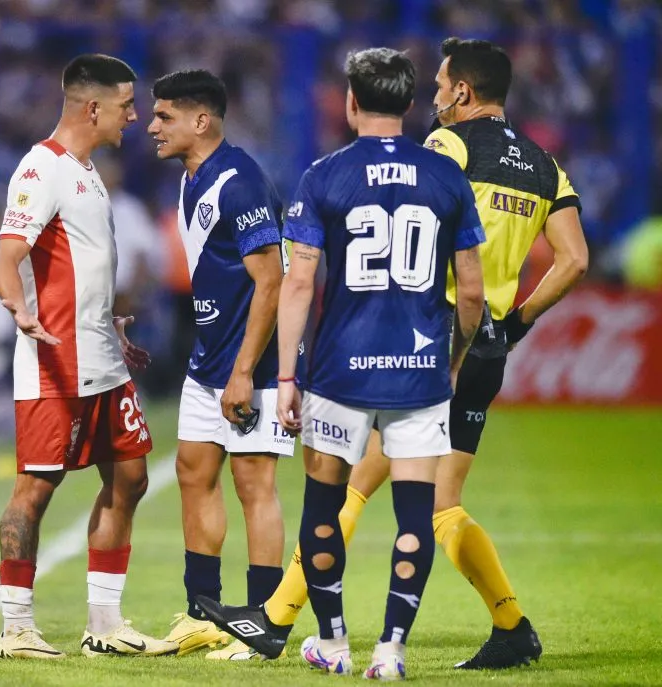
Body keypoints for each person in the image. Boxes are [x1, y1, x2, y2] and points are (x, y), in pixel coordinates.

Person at [250, 37, 588, 672]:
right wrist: (515, 324)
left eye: (440, 85)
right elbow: (574, 260)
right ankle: (511, 624)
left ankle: (280, 622)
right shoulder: (546, 165)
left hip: (424, 339)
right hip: (484, 344)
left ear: (463, 91)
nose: (433, 97)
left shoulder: (445, 149)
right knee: (439, 503)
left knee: (349, 487)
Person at [197, 47, 486, 680]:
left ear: (350, 102)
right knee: (415, 513)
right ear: (410, 105)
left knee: (323, 509)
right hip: (418, 371)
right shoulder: (445, 176)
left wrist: (286, 377)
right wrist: (455, 356)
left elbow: (298, 285)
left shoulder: (324, 176)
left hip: (339, 373)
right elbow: (470, 293)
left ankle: (332, 640)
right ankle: (392, 649)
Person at [0, 54, 177, 660]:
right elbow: (8, 254)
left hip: (102, 352)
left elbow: (84, 265)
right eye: (127, 105)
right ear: (92, 107)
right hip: (56, 357)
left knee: (131, 476)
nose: (136, 116)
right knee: (35, 490)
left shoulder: (88, 169)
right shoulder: (41, 167)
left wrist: (113, 325)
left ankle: (105, 622)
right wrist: (18, 310)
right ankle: (16, 627)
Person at [146, 70, 292, 661]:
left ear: (200, 120)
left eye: (164, 117)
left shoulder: (240, 182)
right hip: (208, 359)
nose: (152, 127)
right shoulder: (192, 179)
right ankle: (204, 613)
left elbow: (271, 279)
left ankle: (261, 623)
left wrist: (242, 370)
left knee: (253, 482)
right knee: (191, 470)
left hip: (248, 365)